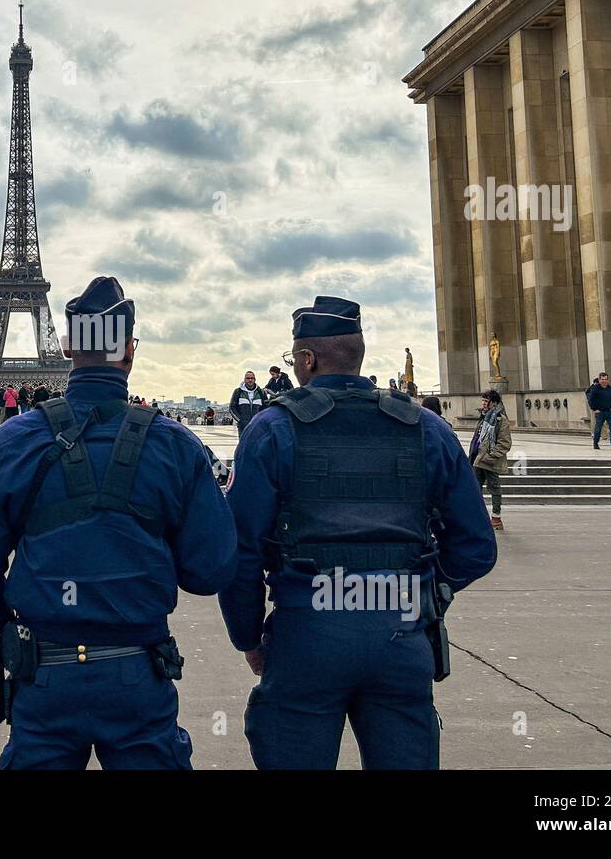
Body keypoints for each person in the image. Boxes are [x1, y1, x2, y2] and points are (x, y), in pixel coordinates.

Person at [0, 275, 237, 770]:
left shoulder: (13, 440)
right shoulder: (174, 445)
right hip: (137, 673)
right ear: (129, 350)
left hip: (43, 674)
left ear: (65, 346)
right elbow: (210, 571)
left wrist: (3, 628)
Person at [217, 295, 497, 770]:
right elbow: (476, 547)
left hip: (308, 630)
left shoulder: (271, 430)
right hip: (399, 629)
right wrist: (428, 593)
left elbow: (239, 552)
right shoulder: (425, 427)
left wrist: (249, 638)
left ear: (307, 360)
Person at [470, 389, 511, 530]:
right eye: (483, 400)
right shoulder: (484, 417)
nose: (483, 403)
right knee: (475, 488)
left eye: (486, 401)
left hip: (489, 460)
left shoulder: (500, 419)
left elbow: (505, 443)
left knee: (494, 488)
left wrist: (490, 456)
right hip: (478, 459)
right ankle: (477, 516)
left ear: (494, 403)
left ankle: (496, 517)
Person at [586, 372, 611, 451]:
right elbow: (591, 400)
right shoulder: (595, 389)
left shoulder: (610, 388)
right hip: (600, 412)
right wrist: (595, 409)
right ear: (599, 380)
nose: (604, 381)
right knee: (598, 428)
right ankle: (595, 442)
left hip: (609, 411)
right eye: (602, 379)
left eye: (605, 379)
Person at [229, 370, 265, 435]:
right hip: (243, 427)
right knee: (244, 444)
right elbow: (232, 408)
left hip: (257, 426)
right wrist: (240, 420)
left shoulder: (261, 392)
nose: (250, 380)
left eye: (252, 378)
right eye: (248, 378)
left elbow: (266, 407)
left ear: (255, 380)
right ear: (244, 380)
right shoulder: (238, 392)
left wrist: (261, 420)